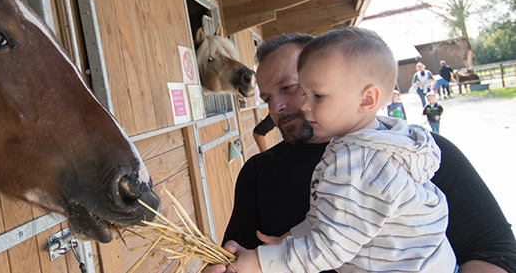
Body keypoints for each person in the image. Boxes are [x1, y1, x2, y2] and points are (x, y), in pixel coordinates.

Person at [203, 32, 516, 273]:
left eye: (291, 88)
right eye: (268, 97)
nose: (277, 108)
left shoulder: (408, 154)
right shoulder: (259, 173)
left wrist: (261, 262)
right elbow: (237, 254)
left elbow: (494, 249)